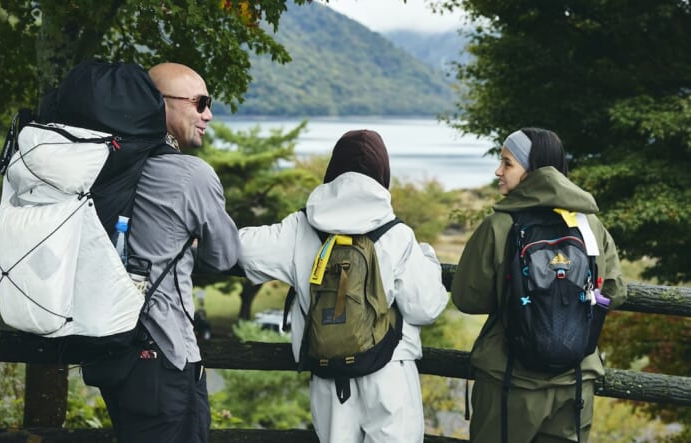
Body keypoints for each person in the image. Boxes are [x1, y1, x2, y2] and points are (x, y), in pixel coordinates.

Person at [238, 129, 450, 443]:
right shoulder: (396, 233)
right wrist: (428, 257)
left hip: (329, 373)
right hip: (389, 370)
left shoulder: (300, 227)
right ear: (383, 174)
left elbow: (242, 249)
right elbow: (426, 307)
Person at [451, 127, 626, 443]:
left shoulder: (499, 225)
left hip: (509, 382)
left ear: (533, 171)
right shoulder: (589, 224)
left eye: (507, 163)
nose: (498, 171)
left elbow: (467, 298)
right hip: (575, 382)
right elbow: (614, 291)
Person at [96, 62, 240, 443]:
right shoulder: (191, 175)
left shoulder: (111, 165)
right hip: (166, 352)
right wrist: (191, 240)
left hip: (114, 348)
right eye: (200, 102)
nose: (208, 113)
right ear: (162, 104)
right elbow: (225, 255)